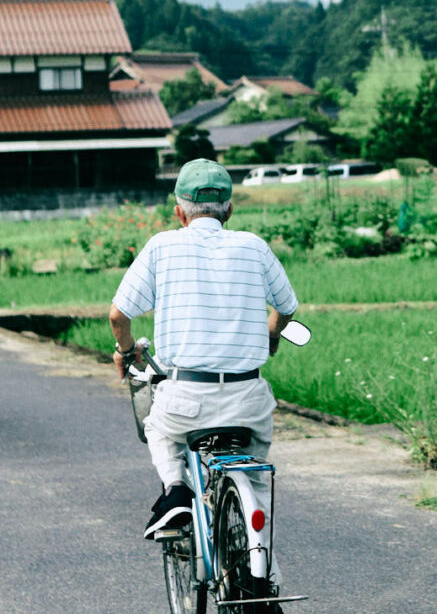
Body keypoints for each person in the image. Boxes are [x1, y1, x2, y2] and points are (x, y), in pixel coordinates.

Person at [110, 159, 300, 541]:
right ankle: (263, 578)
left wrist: (126, 349)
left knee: (158, 430)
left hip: (185, 401)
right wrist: (271, 335)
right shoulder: (254, 246)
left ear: (179, 212)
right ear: (229, 210)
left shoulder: (162, 246)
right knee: (257, 485)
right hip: (249, 402)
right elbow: (287, 307)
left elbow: (118, 315)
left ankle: (176, 492)